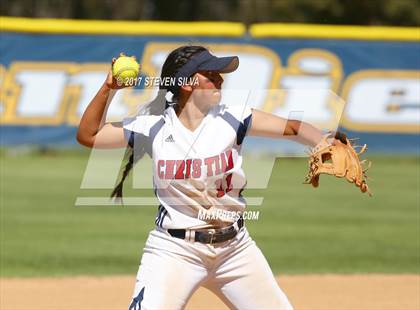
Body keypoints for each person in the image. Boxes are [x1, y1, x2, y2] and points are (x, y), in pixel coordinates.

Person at [77, 45, 333, 310]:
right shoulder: (153, 126)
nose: (220, 79)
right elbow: (90, 136)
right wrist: (109, 88)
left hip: (235, 250)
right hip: (174, 251)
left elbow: (293, 127)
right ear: (187, 83)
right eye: (211, 73)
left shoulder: (234, 117)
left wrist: (325, 141)